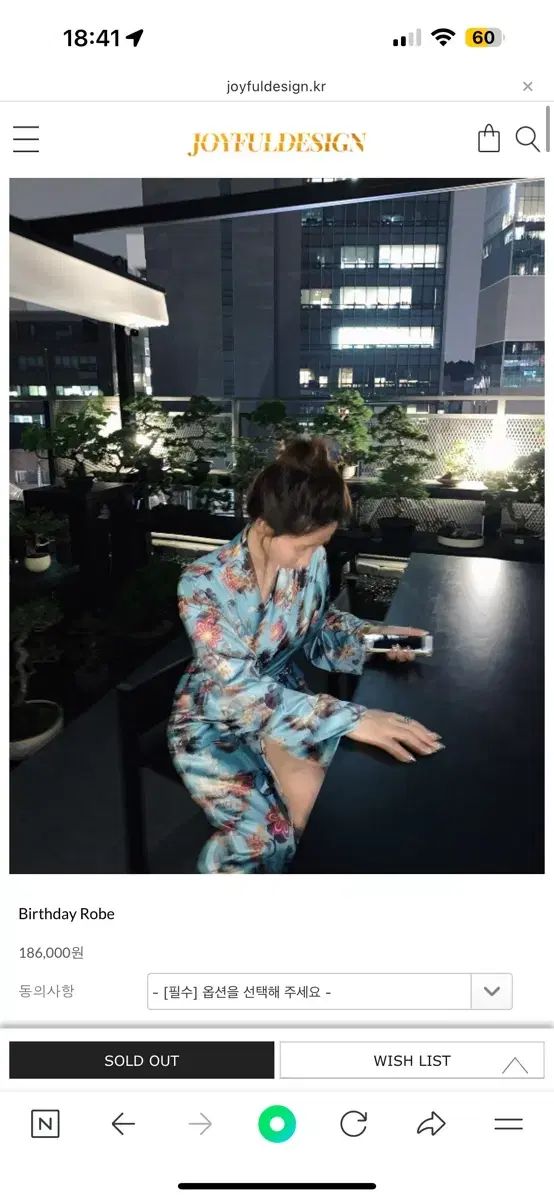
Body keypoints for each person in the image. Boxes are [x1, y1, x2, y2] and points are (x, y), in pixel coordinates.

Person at [168, 438, 442, 874]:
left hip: (287, 701)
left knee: (338, 806)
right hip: (216, 713)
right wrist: (351, 718)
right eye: (304, 547)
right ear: (263, 525)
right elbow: (239, 692)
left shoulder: (309, 563)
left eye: (319, 546)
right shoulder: (201, 584)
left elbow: (317, 629)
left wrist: (375, 638)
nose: (312, 558)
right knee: (266, 839)